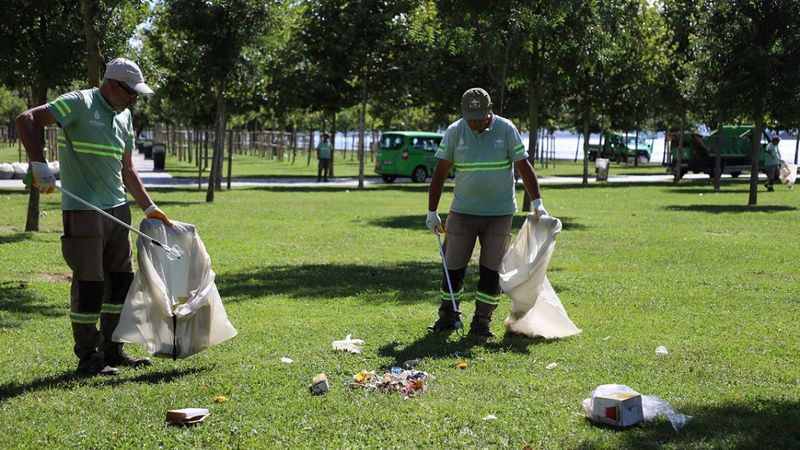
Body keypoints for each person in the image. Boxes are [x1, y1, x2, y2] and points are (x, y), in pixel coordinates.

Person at [16, 58, 172, 376]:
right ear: (112, 85)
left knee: (120, 283)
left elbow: (127, 170)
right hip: (84, 210)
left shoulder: (124, 116)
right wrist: (38, 164)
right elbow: (26, 119)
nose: (134, 100)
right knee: (89, 283)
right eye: (131, 93)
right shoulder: (79, 102)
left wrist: (149, 207)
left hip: (117, 210)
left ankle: (113, 350)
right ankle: (88, 357)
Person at [426, 87, 547, 338]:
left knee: (491, 271)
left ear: (489, 110)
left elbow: (524, 167)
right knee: (453, 267)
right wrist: (432, 211)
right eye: (469, 116)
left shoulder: (506, 129)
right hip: (462, 211)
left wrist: (538, 203)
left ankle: (482, 321)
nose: (473, 122)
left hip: (499, 214)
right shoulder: (454, 131)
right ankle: (448, 315)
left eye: (478, 116)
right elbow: (439, 173)